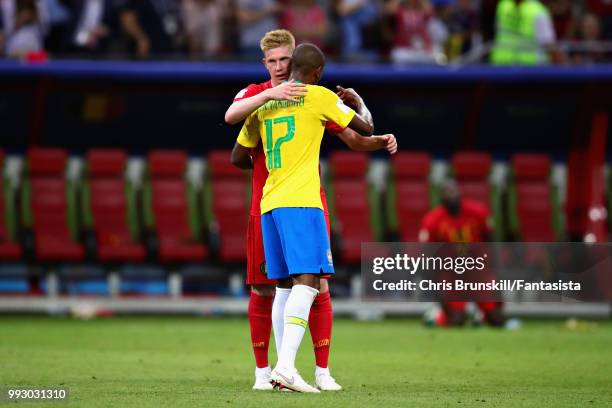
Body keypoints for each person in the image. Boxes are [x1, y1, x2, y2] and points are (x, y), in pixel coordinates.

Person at [225, 29, 396, 391]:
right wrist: (359, 105)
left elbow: (237, 155)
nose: (277, 67)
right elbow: (362, 128)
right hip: (301, 200)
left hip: (269, 200)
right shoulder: (303, 96)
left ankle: (306, 371)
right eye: (271, 61)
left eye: (283, 60)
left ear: (293, 62)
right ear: (317, 72)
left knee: (286, 285)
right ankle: (282, 368)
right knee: (305, 283)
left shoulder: (262, 106)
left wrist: (272, 159)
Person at [419, 179, 505, 328]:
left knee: (496, 319)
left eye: (454, 191)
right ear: (441, 197)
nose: (451, 196)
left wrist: (496, 273)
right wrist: (435, 287)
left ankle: (478, 316)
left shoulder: (478, 212)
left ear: (460, 193)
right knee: (456, 320)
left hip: (477, 270)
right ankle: (440, 317)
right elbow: (428, 257)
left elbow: (491, 241)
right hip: (452, 272)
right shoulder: (432, 220)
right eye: (447, 193)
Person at [490, 0, 560, 65]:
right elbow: (549, 44)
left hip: (528, 68)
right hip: (502, 65)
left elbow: (549, 45)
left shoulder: (503, 4)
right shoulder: (503, 5)